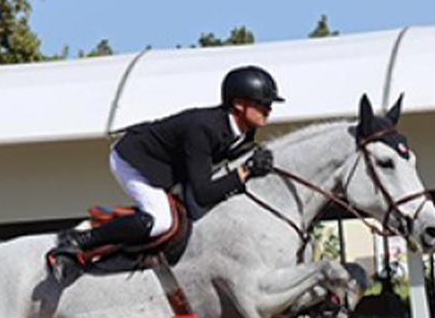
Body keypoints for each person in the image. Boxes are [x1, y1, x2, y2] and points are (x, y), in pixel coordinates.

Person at [48, 65, 284, 279]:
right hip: (134, 160)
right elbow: (203, 192)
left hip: (169, 168)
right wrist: (244, 172)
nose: (269, 108)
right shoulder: (203, 128)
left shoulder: (244, 131)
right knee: (161, 220)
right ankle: (80, 239)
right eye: (262, 103)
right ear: (239, 104)